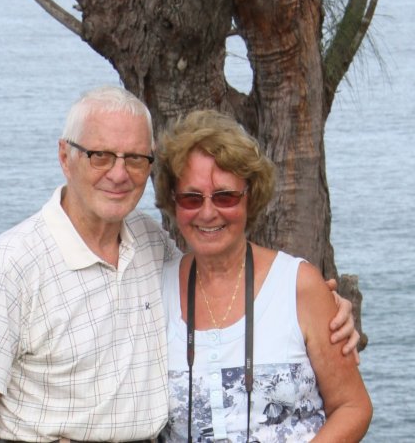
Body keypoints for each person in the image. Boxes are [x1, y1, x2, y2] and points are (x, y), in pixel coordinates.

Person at [0, 87, 359, 443]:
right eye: (100, 156)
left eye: (134, 158)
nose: (118, 174)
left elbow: (227, 283)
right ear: (65, 156)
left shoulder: (150, 247)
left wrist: (327, 309)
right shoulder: (15, 261)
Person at [153, 109, 372, 442]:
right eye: (191, 198)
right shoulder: (155, 291)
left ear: (250, 196)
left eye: (225, 196)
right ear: (173, 202)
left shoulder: (298, 286)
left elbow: (353, 406)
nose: (208, 212)